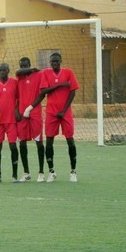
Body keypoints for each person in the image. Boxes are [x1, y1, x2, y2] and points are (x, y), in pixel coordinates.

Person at [39, 52, 79, 182]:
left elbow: (73, 92)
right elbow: (43, 91)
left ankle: (73, 171)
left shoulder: (68, 72)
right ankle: (51, 171)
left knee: (70, 140)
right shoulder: (46, 73)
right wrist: (59, 85)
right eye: (52, 62)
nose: (54, 63)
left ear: (60, 61)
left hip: (65, 112)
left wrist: (64, 110)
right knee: (49, 141)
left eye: (56, 61)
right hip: (51, 112)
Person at [15, 57, 45, 182]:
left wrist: (31, 107)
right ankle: (26, 172)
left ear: (30, 64)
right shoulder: (19, 78)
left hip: (35, 113)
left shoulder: (39, 75)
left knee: (38, 142)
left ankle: (41, 172)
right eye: (22, 66)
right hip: (22, 114)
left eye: (26, 65)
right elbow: (16, 98)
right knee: (22, 142)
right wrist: (16, 111)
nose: (24, 68)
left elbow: (42, 94)